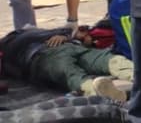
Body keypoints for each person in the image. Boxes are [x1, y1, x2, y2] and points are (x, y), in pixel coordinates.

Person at [0, 25, 130, 101]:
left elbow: (73, 31)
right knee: (73, 73)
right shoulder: (12, 44)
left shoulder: (26, 36)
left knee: (105, 60)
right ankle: (102, 90)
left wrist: (66, 37)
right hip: (45, 55)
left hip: (63, 49)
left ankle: (134, 76)